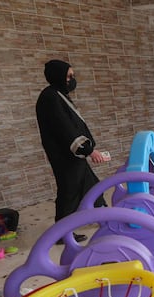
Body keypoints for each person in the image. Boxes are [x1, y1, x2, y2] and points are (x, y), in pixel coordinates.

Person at [36, 59, 109, 243]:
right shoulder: (50, 97)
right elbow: (65, 129)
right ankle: (61, 234)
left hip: (72, 155)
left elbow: (74, 126)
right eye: (69, 76)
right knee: (69, 192)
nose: (71, 79)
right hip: (65, 156)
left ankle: (107, 220)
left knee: (92, 185)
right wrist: (88, 151)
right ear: (58, 76)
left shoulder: (57, 94)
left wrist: (89, 149)